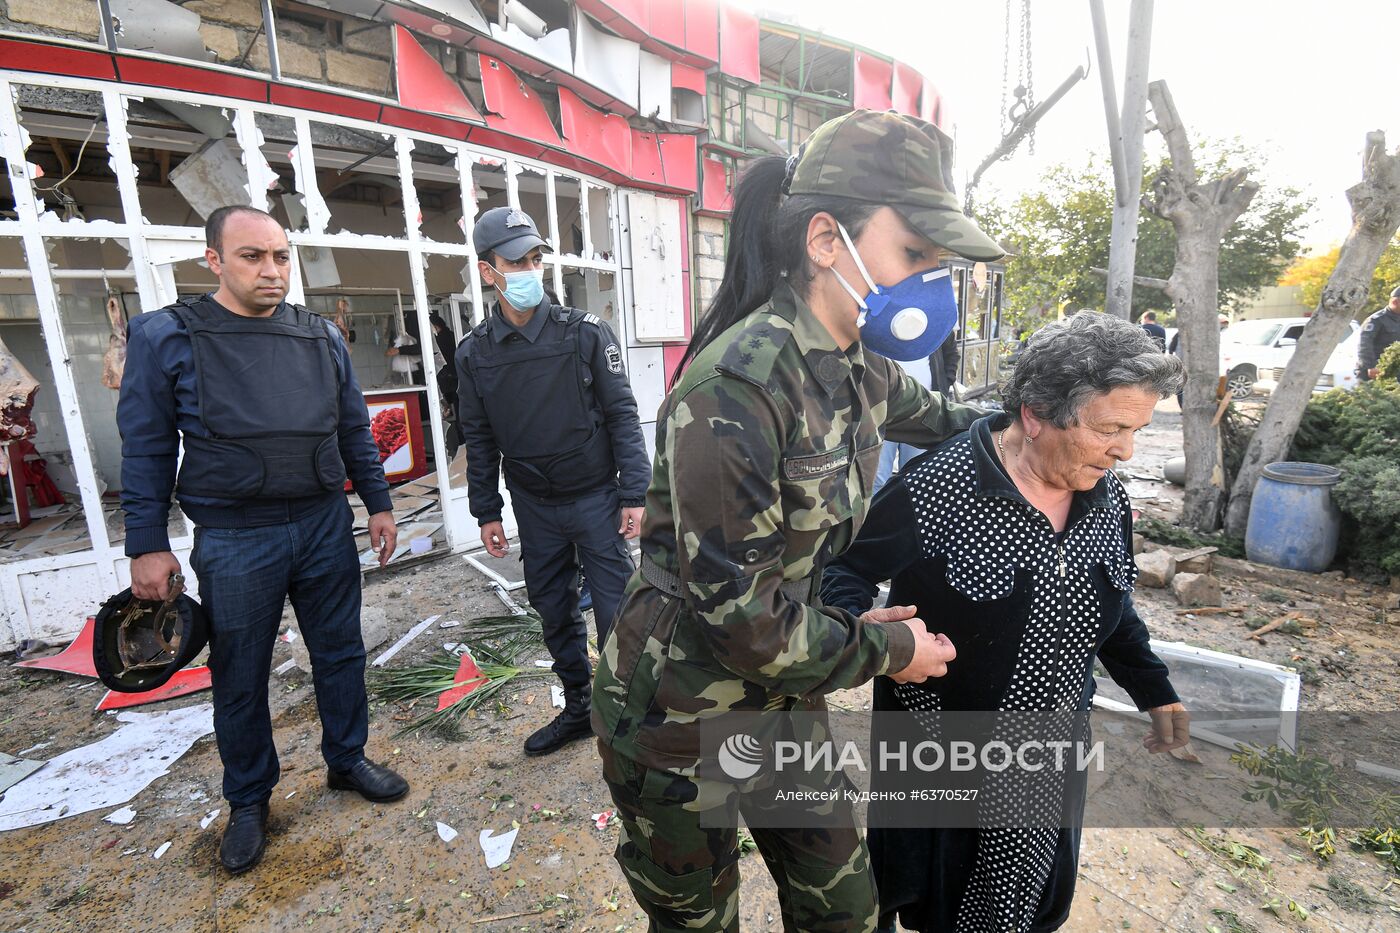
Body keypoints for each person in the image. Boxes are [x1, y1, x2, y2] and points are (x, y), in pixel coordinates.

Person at [592, 109, 1004, 932]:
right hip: (679, 711)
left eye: (939, 263)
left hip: (784, 697)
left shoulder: (860, 366)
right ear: (825, 241)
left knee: (844, 909)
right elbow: (744, 622)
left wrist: (1038, 427)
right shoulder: (736, 389)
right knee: (698, 922)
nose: (931, 283)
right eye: (914, 254)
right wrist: (891, 650)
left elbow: (949, 421)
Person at [822, 311, 1190, 932]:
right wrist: (876, 637)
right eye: (1110, 429)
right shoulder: (939, 486)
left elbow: (1112, 604)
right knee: (938, 903)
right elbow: (844, 568)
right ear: (1036, 414)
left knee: (1027, 903)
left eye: (1136, 430)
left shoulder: (1106, 494)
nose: (1125, 450)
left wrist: (1155, 690)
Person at [118, 206, 408, 876]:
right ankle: (249, 799)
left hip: (323, 523)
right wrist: (146, 542)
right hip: (235, 535)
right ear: (213, 260)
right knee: (240, 672)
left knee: (340, 652)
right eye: (252, 256)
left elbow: (353, 429)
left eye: (281, 256)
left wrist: (379, 503)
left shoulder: (320, 335)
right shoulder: (168, 336)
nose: (272, 270)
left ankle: (347, 759)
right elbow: (147, 447)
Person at [456, 206, 649, 757]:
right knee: (554, 610)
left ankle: (626, 715)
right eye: (516, 262)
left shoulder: (585, 333)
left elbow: (622, 414)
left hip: (596, 499)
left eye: (536, 259)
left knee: (617, 612)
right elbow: (479, 435)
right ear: (488, 271)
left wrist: (635, 492)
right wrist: (486, 510)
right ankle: (580, 708)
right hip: (534, 506)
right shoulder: (475, 353)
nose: (529, 270)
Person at [873, 337, 960, 493]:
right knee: (877, 477)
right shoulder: (878, 324)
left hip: (924, 413)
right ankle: (874, 509)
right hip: (883, 409)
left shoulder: (935, 323)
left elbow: (951, 352)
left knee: (915, 476)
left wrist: (945, 382)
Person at [1358, 285, 1400, 380]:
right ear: (1395, 302)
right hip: (1375, 372)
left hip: (1395, 371)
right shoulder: (1376, 320)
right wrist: (1371, 366)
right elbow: (1364, 345)